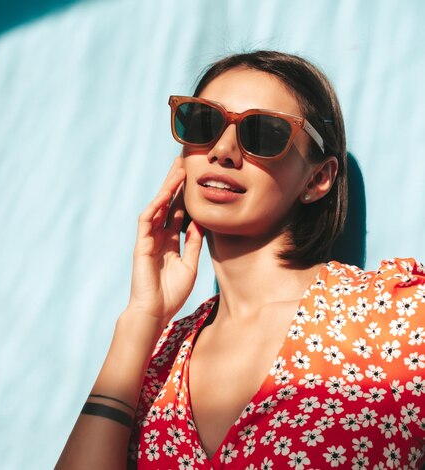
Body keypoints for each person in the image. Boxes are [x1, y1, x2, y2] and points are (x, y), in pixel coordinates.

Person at [56, 50, 425, 469]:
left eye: (264, 133)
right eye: (203, 123)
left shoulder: (395, 317)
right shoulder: (156, 361)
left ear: (318, 178)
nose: (223, 150)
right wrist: (142, 315)